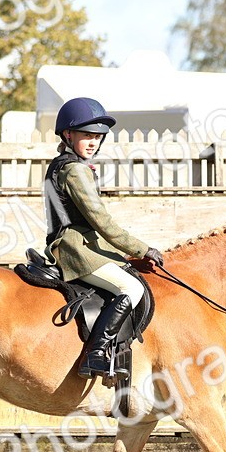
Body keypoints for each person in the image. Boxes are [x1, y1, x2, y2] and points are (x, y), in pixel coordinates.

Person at [43, 97, 163, 379]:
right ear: (68, 135)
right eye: (87, 135)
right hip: (76, 248)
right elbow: (102, 222)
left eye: (97, 136)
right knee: (131, 289)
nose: (93, 142)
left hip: (80, 244)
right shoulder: (74, 170)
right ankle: (95, 354)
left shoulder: (62, 164)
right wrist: (142, 249)